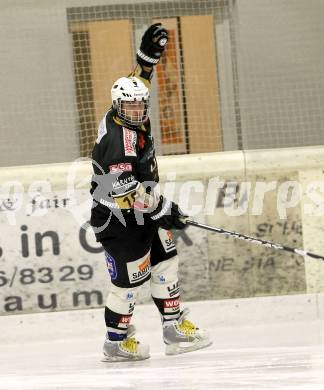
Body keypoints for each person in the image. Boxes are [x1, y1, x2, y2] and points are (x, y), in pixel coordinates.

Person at [90, 23, 212, 362]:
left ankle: (173, 328)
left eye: (140, 106)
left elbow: (139, 85)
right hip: (118, 219)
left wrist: (148, 58)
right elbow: (122, 191)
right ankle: (116, 342)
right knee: (127, 286)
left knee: (166, 260)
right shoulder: (118, 142)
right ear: (118, 107)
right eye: (130, 108)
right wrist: (160, 207)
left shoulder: (130, 114)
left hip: (142, 210)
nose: (137, 111)